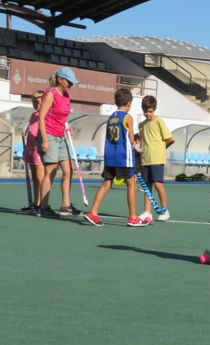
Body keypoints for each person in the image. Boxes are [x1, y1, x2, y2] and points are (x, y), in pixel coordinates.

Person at [83, 88, 147, 227]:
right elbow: (131, 139)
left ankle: (93, 212)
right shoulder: (128, 117)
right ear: (129, 103)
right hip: (123, 156)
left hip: (110, 156)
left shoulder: (111, 117)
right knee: (131, 184)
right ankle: (133, 217)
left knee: (107, 183)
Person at [36, 67, 83, 218]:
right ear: (60, 80)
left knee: (69, 170)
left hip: (61, 136)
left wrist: (66, 125)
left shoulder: (66, 95)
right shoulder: (50, 94)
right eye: (69, 82)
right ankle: (44, 207)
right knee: (50, 171)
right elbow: (41, 117)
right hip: (48, 135)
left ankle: (66, 206)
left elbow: (61, 116)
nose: (71, 85)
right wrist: (44, 140)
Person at [137, 95, 174, 223]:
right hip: (145, 159)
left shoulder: (159, 122)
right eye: (145, 111)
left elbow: (170, 139)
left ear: (154, 109)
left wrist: (160, 149)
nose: (148, 114)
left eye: (150, 111)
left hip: (157, 159)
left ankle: (164, 210)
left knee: (158, 184)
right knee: (147, 186)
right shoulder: (141, 125)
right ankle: (147, 212)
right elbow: (142, 141)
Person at [21, 90, 47, 215]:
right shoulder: (33, 115)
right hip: (30, 149)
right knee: (35, 178)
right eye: (33, 101)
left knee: (40, 178)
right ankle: (35, 204)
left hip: (38, 149)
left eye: (37, 101)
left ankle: (42, 204)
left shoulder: (46, 114)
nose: (35, 104)